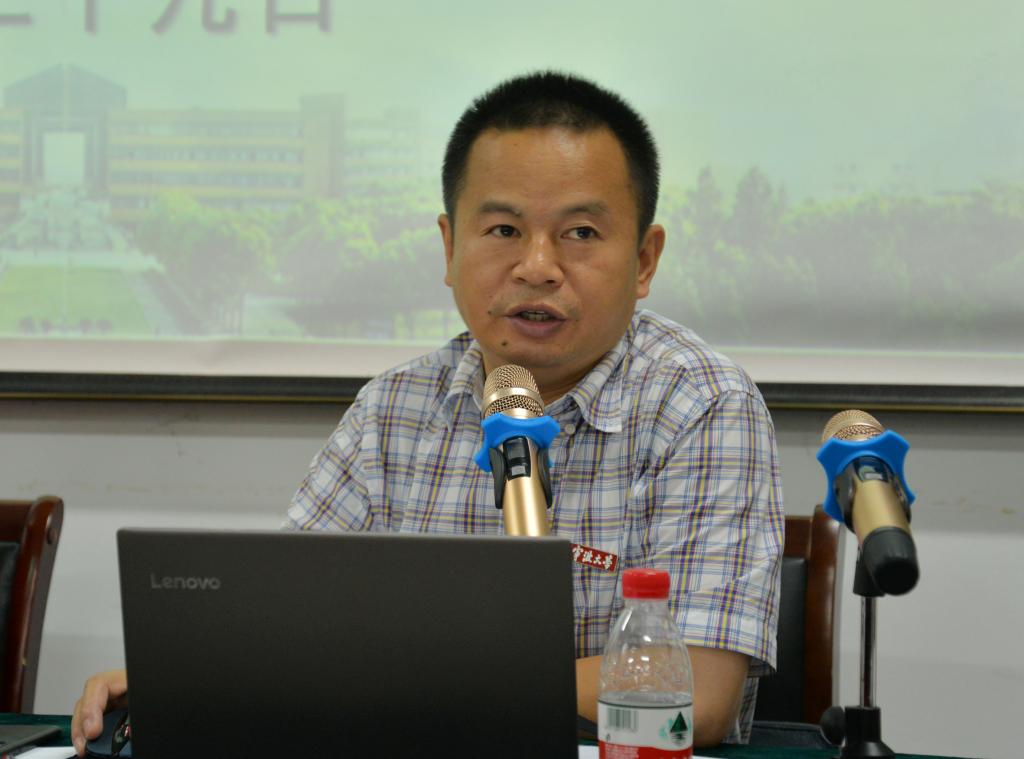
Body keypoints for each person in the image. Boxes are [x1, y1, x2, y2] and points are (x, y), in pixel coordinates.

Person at [72, 71, 783, 754]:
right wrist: (194, 677)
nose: (537, 265)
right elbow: (291, 632)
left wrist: (416, 686)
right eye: (503, 229)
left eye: (581, 233)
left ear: (645, 259)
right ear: (449, 247)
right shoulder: (394, 409)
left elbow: (696, 694)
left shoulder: (702, 404)